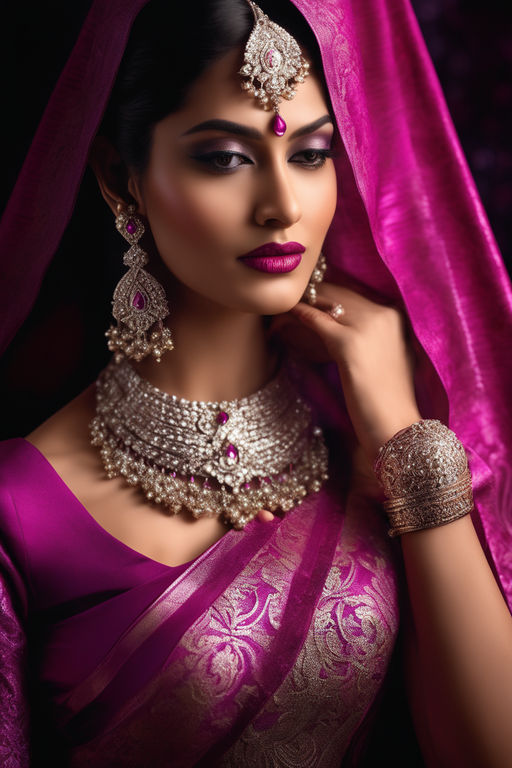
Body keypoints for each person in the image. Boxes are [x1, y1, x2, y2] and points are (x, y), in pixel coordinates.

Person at [1, 0, 512, 765]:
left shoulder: (370, 434)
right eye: (224, 157)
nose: (282, 207)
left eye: (310, 154)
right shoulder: (22, 504)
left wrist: (408, 440)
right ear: (121, 176)